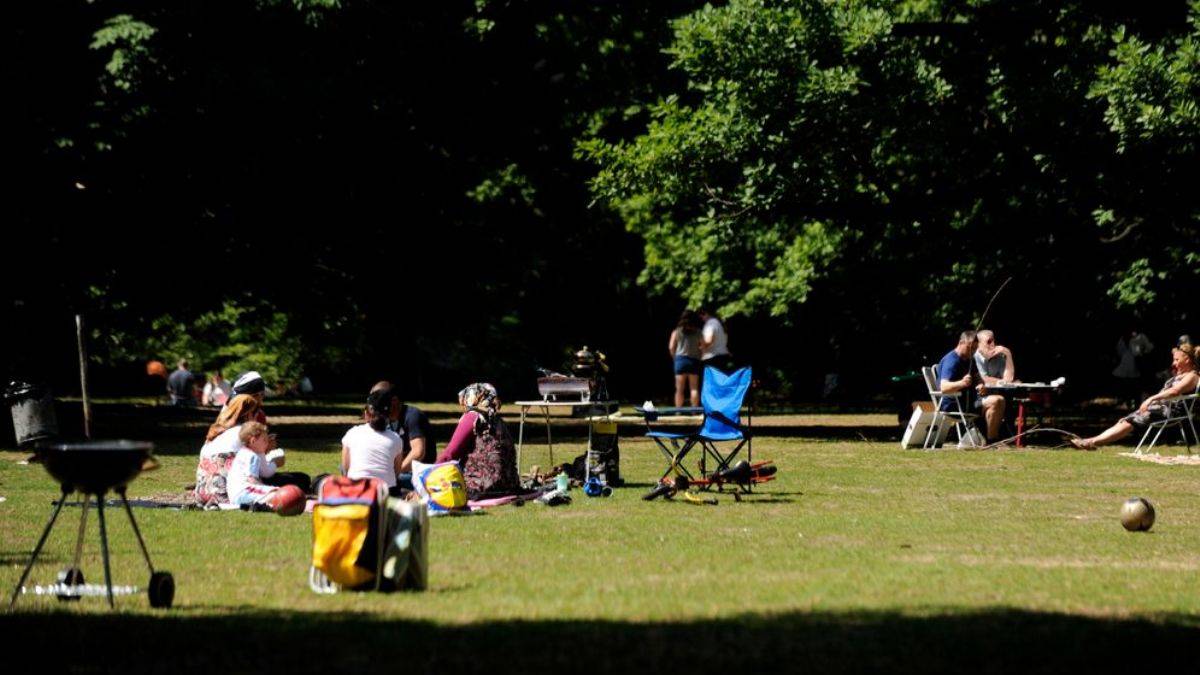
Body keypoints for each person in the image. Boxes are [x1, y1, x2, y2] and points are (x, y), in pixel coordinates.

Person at [1071, 343, 1199, 450]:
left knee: (1129, 422)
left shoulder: (1192, 376)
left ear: (1187, 359)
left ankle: (1092, 442)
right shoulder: (1179, 375)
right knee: (1124, 420)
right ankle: (1091, 441)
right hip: (1160, 409)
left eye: (1177, 360)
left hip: (1170, 412)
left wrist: (1151, 399)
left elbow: (1175, 392)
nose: (1173, 363)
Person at [435, 382, 520, 498]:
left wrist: (429, 471)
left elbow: (451, 453)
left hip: (480, 486)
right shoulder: (498, 420)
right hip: (508, 485)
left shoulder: (473, 417)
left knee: (410, 479)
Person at [194, 394, 264, 507]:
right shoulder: (245, 434)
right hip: (225, 494)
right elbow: (263, 470)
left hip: (202, 491)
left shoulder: (216, 433)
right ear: (249, 414)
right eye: (256, 414)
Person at [937, 330, 1004, 442]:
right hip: (954, 405)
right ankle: (992, 441)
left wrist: (981, 386)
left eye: (975, 349)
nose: (972, 352)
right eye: (970, 348)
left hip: (969, 402)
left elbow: (978, 379)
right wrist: (961, 383)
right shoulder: (952, 361)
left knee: (999, 400)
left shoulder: (969, 360)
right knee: (996, 401)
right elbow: (943, 387)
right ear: (961, 343)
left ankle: (990, 439)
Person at [341, 389, 405, 494]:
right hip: (385, 492)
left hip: (356, 489)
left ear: (366, 413)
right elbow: (396, 471)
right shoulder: (396, 439)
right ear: (389, 414)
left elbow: (345, 467)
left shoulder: (353, 433)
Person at [227, 422, 290, 510]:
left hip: (237, 495)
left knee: (276, 493)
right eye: (264, 440)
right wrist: (265, 488)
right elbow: (252, 480)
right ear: (253, 441)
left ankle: (262, 505)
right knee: (279, 494)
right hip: (244, 491)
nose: (267, 443)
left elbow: (265, 472)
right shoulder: (252, 456)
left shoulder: (244, 452)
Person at [973, 329, 1014, 441]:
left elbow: (1008, 379)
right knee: (999, 400)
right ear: (979, 344)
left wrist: (1008, 353)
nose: (993, 345)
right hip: (976, 397)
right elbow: (983, 379)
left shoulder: (999, 357)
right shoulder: (974, 357)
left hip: (992, 395)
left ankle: (1008, 438)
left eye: (993, 341)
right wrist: (1000, 381)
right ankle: (993, 440)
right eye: (988, 342)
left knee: (1009, 399)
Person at [668, 310, 703, 407]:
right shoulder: (698, 332)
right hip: (694, 360)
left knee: (679, 389)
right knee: (694, 388)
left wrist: (675, 358)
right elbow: (703, 346)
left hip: (680, 360)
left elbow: (671, 347)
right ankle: (694, 411)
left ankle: (678, 411)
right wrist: (700, 355)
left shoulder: (676, 331)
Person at [1113, 329, 1154, 408]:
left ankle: (1138, 403)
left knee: (1138, 385)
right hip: (1129, 364)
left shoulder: (1141, 337)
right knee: (1129, 385)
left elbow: (1148, 347)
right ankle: (1129, 403)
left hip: (1139, 363)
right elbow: (1120, 351)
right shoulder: (1123, 340)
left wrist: (1143, 352)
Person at [697, 307, 734, 372]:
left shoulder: (710, 324)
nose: (701, 317)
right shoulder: (720, 324)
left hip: (712, 358)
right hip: (723, 356)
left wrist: (699, 348)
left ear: (707, 313)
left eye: (702, 314)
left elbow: (709, 340)